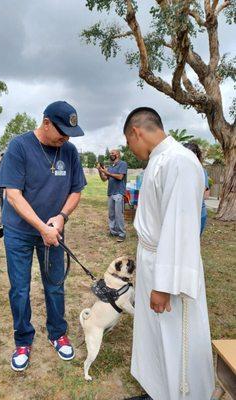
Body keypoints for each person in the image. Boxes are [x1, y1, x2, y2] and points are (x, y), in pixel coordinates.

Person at [123, 107, 214, 400]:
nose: (131, 150)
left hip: (169, 269)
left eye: (129, 142)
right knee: (155, 333)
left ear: (137, 131)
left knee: (175, 336)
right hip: (152, 259)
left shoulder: (179, 161)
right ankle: (158, 390)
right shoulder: (159, 160)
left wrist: (163, 286)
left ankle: (181, 393)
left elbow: (180, 229)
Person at [0, 101, 87, 372]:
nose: (66, 138)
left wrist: (61, 218)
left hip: (54, 232)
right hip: (20, 233)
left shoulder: (69, 152)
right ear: (46, 123)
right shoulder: (19, 146)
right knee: (20, 289)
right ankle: (23, 340)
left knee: (55, 285)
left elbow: (76, 190)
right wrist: (41, 227)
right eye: (62, 131)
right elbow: (12, 194)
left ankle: (58, 334)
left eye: (70, 134)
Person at [97, 149, 128, 242]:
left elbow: (120, 177)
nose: (111, 155)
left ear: (118, 155)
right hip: (110, 192)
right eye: (110, 153)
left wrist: (107, 172)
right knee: (111, 214)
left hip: (119, 193)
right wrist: (100, 171)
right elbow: (104, 179)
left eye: (113, 153)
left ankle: (122, 234)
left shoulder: (123, 164)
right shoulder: (110, 166)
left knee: (119, 214)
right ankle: (113, 232)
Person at [183, 142, 210, 235]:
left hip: (198, 213)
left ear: (196, 155)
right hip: (181, 213)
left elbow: (203, 193)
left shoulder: (201, 171)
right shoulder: (178, 169)